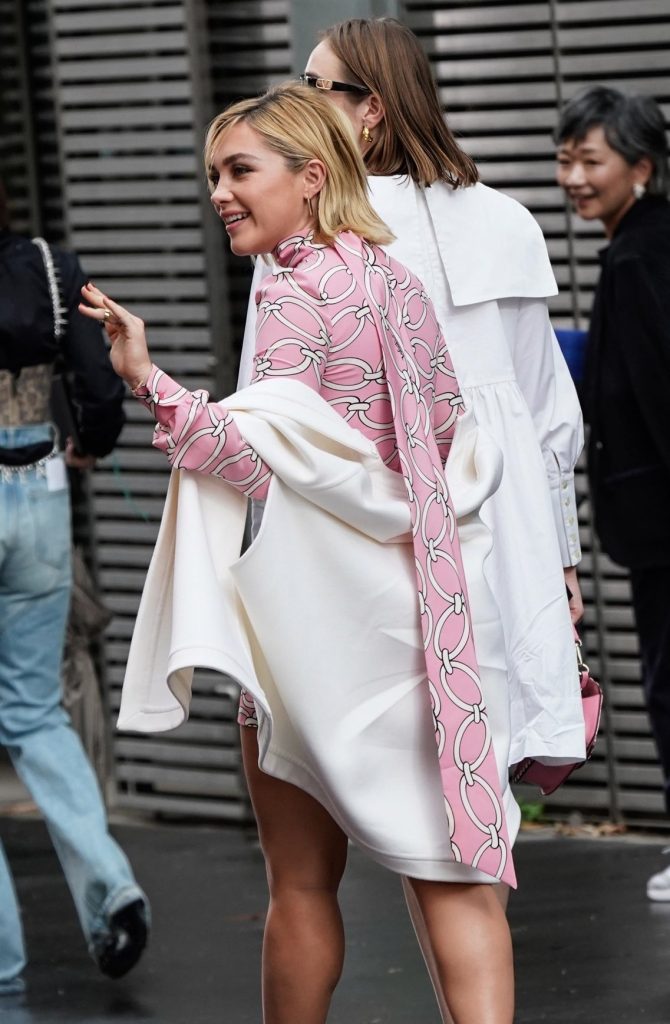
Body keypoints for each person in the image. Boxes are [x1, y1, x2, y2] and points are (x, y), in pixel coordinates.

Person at [81, 82, 519, 1024]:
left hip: (314, 623)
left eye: (241, 170)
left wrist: (146, 377)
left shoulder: (290, 284)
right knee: (451, 870)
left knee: (303, 884)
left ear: (311, 177)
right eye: (214, 174)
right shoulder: (395, 280)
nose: (220, 192)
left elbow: (254, 457)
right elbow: (442, 436)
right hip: (420, 610)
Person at [234, 19, 587, 1020]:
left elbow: (271, 427)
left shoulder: (303, 239)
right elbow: (544, 421)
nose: (296, 102)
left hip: (338, 578)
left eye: (317, 86)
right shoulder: (508, 223)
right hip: (479, 575)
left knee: (302, 874)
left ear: (369, 105)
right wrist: (553, 571)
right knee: (461, 862)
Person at [0, 181, 150, 995]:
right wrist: (87, 439)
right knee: (33, 710)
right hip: (38, 490)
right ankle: (110, 886)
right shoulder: (53, 269)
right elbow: (96, 385)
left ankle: (2, 963)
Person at [556, 85, 670, 902]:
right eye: (564, 159)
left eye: (590, 160)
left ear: (642, 167)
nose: (572, 177)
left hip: (662, 521)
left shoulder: (639, 256)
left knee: (669, 682)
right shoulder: (642, 247)